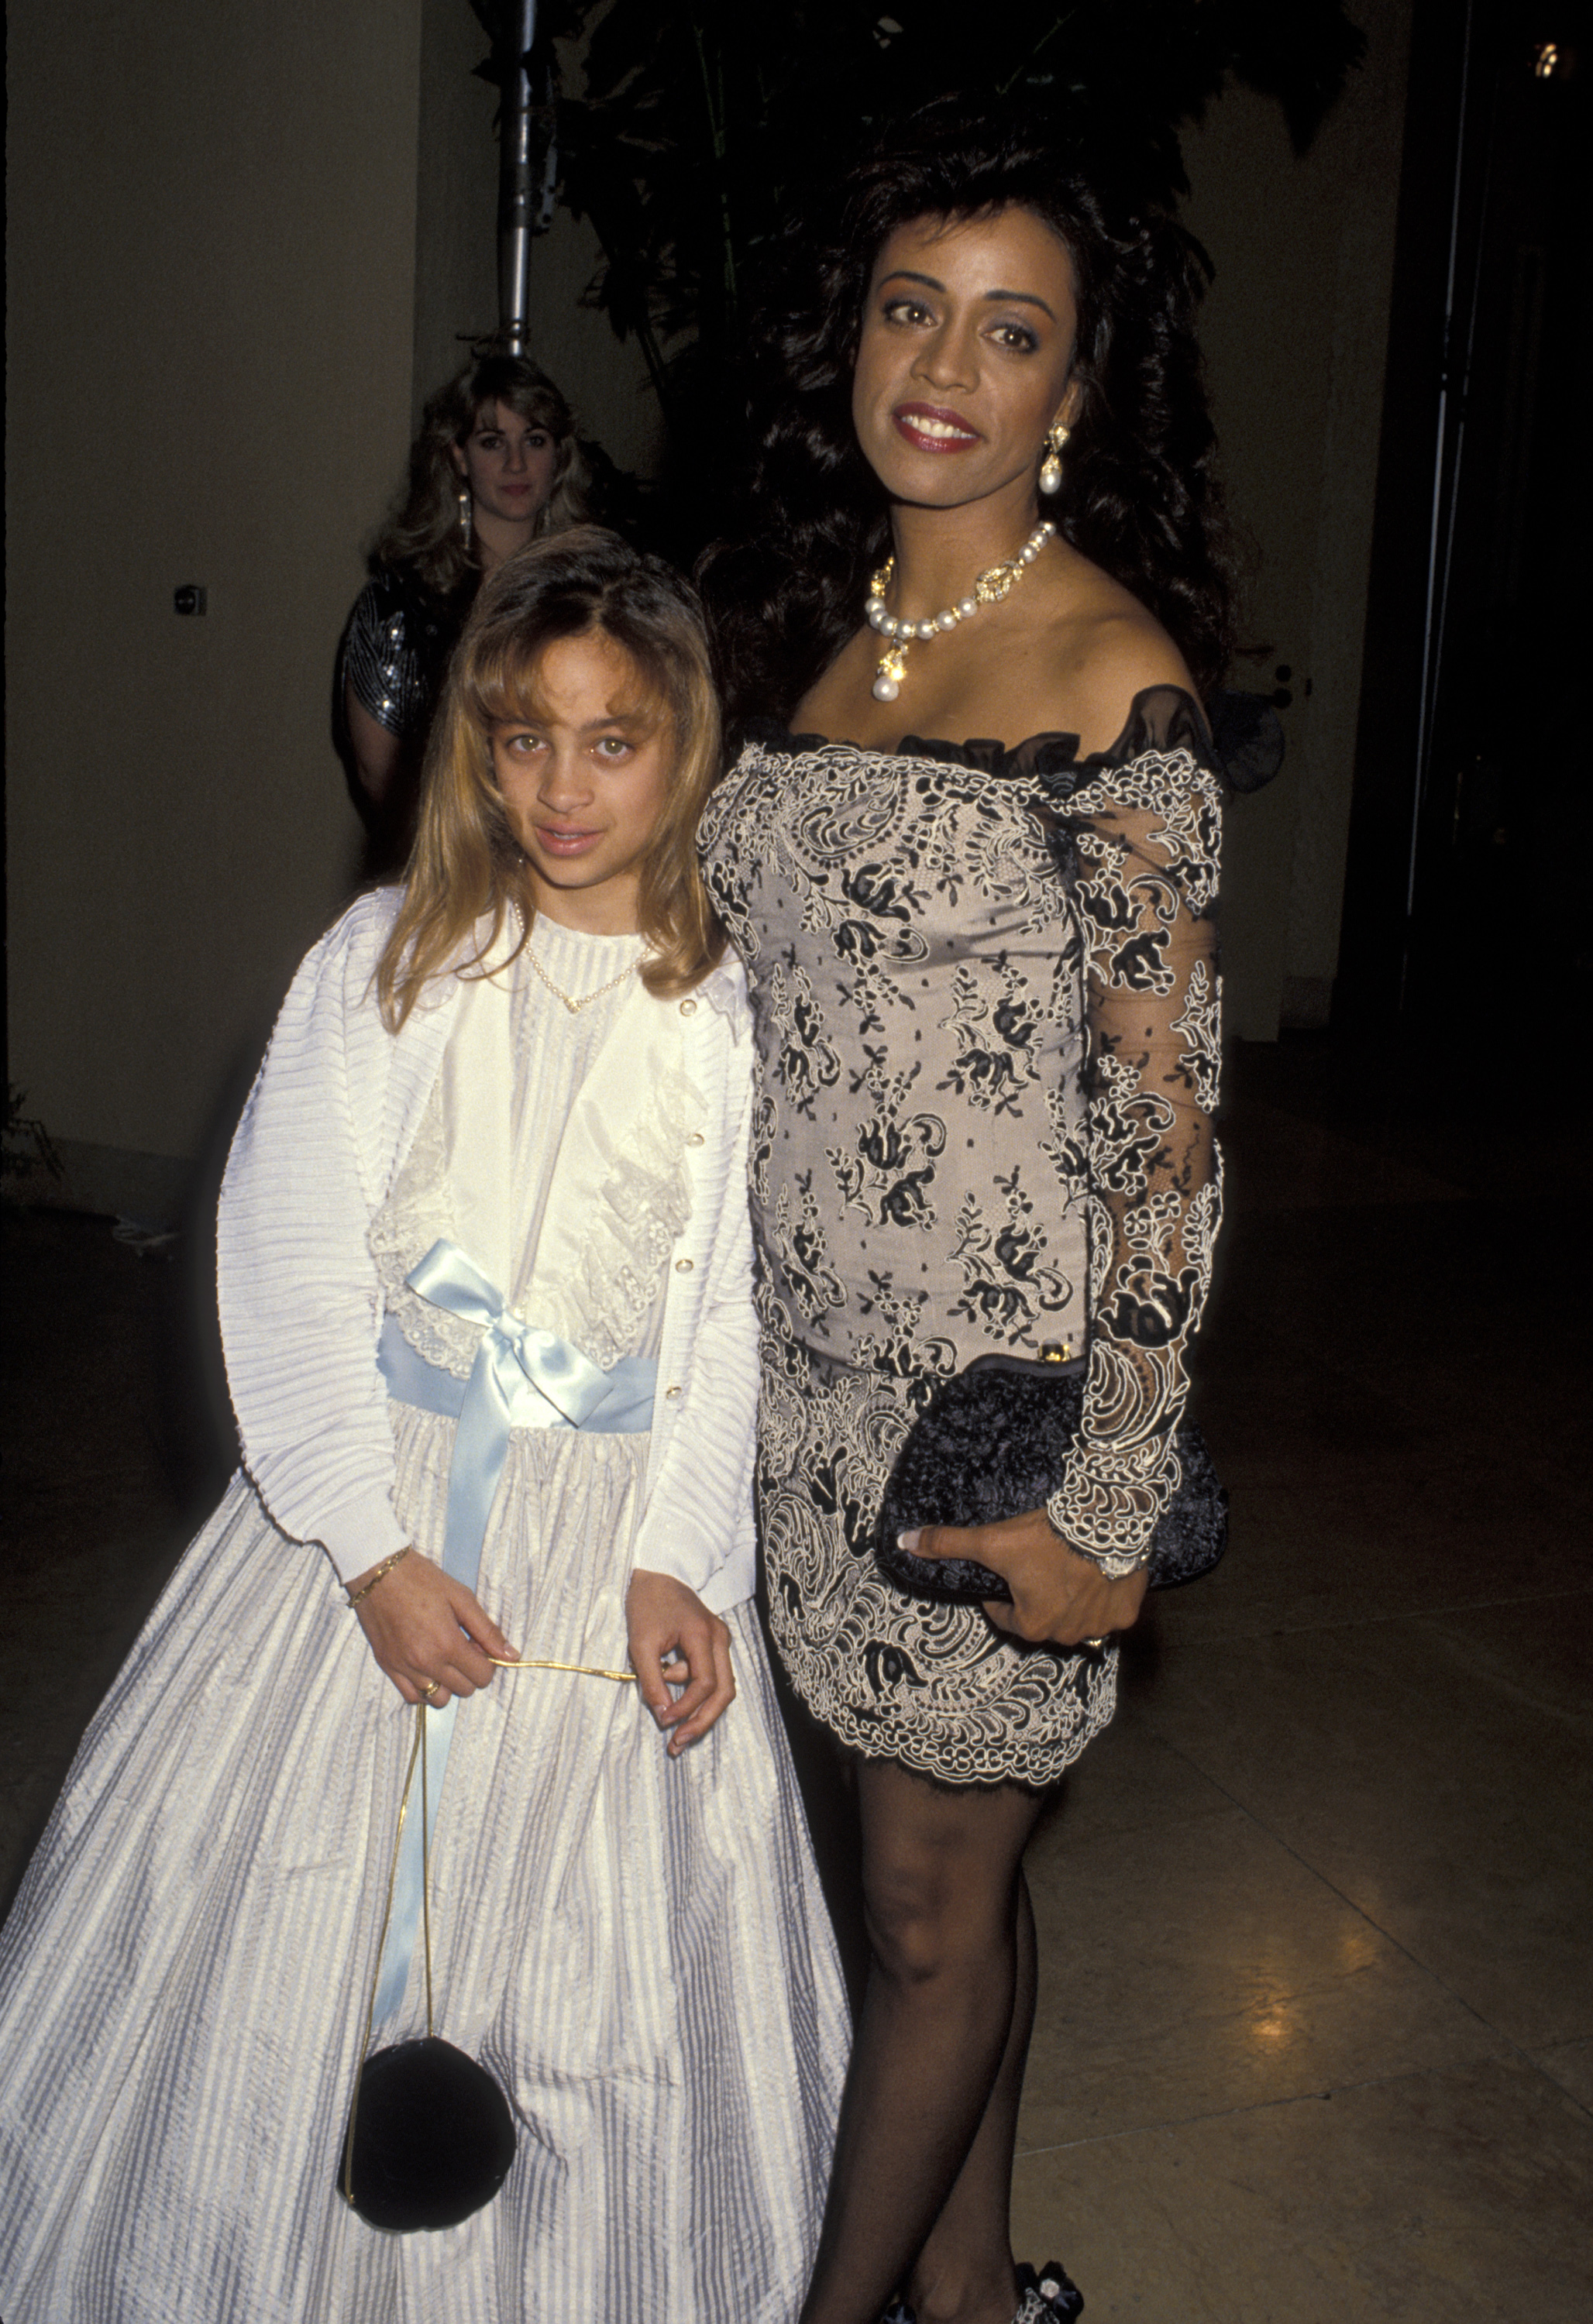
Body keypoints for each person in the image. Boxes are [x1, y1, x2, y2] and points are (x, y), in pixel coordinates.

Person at [0, 528, 847, 2321]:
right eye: (523, 737)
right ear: (472, 742)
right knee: (275, 1942)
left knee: (591, 1996)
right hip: (373, 1511)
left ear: (683, 750)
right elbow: (289, 1262)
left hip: (610, 1539)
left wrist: (680, 1561)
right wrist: (366, 1547)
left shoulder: (728, 1010)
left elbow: (735, 1323)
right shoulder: (389, 959)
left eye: (611, 740)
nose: (560, 784)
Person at [697, 101, 1234, 2324]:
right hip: (793, 1394)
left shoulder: (1115, 682)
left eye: (1015, 332)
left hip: (987, 1418)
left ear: (1076, 390)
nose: (948, 364)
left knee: (920, 1923)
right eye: (916, 307)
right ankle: (976, 2298)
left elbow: (1169, 1144)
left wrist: (1110, 1509)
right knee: (934, 1898)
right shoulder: (822, 644)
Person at [339, 353, 592, 855]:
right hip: (443, 865)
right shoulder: (400, 601)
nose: (516, 464)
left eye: (535, 441)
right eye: (493, 442)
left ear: (559, 456)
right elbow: (381, 781)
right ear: (458, 456)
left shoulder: (593, 593)